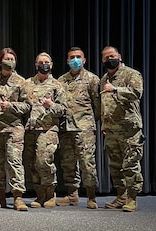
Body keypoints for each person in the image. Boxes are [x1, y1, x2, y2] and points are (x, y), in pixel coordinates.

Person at [0, 47, 31, 211]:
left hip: (14, 129)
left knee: (15, 162)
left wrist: (10, 106)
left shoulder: (21, 81)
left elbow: (27, 106)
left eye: (12, 58)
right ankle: (0, 197)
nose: (9, 61)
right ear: (0, 61)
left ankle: (18, 197)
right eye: (6, 58)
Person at [100, 46, 144, 212]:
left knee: (130, 164)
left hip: (129, 129)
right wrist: (105, 123)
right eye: (106, 58)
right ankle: (121, 196)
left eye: (112, 56)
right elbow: (105, 103)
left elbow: (136, 93)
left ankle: (132, 199)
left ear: (119, 56)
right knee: (115, 165)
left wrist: (116, 89)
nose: (110, 59)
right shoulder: (104, 79)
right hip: (111, 130)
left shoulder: (132, 74)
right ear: (103, 61)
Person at [56, 47, 101, 209]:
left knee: (87, 162)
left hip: (84, 129)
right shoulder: (61, 81)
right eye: (72, 57)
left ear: (84, 60)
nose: (75, 60)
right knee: (68, 162)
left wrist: (89, 123)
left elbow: (98, 105)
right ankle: (72, 195)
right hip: (65, 128)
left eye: (78, 57)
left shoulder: (92, 79)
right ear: (67, 61)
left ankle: (91, 197)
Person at [22, 52, 66, 208]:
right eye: (41, 62)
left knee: (44, 161)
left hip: (48, 130)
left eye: (47, 62)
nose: (44, 64)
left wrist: (51, 105)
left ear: (52, 64)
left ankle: (50, 193)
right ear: (36, 65)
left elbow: (63, 109)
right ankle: (39, 194)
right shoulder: (27, 84)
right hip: (30, 130)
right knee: (32, 163)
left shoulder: (57, 85)